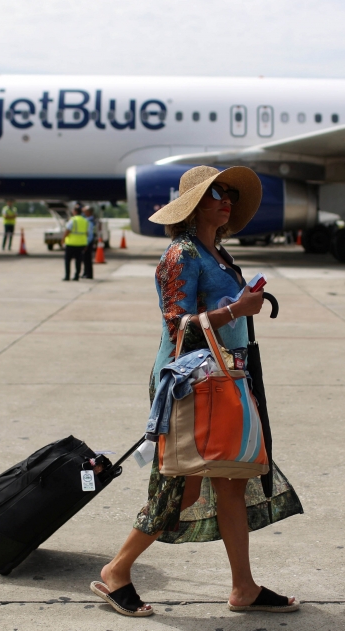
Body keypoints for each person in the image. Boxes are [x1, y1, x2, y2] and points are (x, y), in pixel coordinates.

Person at [92, 165, 303, 618]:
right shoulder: (180, 255)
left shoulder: (220, 255)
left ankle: (243, 588)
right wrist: (236, 310)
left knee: (232, 482)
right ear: (193, 206)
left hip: (227, 380)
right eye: (216, 193)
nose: (226, 200)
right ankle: (116, 570)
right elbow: (178, 326)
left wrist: (239, 305)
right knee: (180, 489)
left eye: (229, 193)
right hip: (189, 383)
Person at [62, 206, 88, 280]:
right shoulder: (85, 221)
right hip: (81, 244)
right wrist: (86, 243)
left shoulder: (73, 220)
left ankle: (67, 276)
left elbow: (67, 231)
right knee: (78, 261)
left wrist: (63, 239)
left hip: (71, 243)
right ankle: (76, 276)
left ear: (75, 212)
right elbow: (87, 233)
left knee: (68, 260)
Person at [81, 205, 96, 278]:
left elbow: (89, 234)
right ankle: (85, 273)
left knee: (87, 259)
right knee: (85, 259)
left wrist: (86, 244)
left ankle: (89, 274)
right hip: (88, 242)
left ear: (89, 212)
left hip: (88, 243)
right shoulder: (88, 219)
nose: (84, 213)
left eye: (85, 211)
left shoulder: (90, 221)